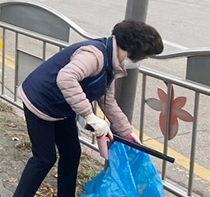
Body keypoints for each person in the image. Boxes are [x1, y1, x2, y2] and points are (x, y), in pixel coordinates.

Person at [13, 19, 164, 197]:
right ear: (134, 49)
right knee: (44, 159)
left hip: (63, 106)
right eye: (144, 57)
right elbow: (66, 78)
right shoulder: (94, 55)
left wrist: (126, 132)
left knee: (72, 153)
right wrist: (89, 116)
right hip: (40, 101)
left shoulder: (111, 60)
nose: (142, 61)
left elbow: (107, 99)